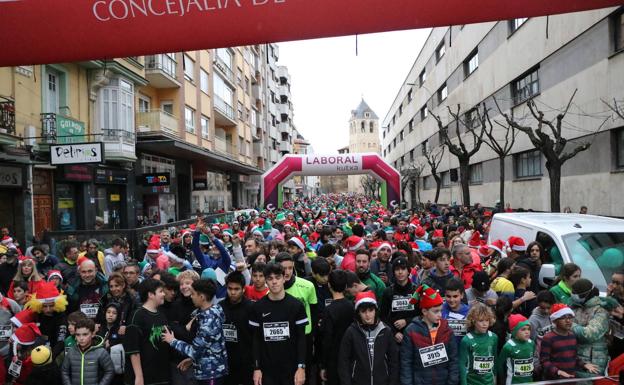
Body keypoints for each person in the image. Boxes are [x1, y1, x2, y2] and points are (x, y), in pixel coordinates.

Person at [249, 263, 307, 385]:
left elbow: (302, 338)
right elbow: (255, 340)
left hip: (291, 369)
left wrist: (301, 367)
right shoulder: (257, 307)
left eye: (277, 277)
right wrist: (256, 368)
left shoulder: (296, 305)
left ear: (284, 278)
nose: (274, 282)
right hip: (267, 371)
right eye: (270, 279)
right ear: (266, 281)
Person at [162, 279, 228, 385]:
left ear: (201, 297)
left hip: (211, 374)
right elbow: (205, 348)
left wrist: (172, 340)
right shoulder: (207, 312)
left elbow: (194, 350)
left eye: (193, 294)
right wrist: (192, 360)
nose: (191, 296)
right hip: (207, 371)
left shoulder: (209, 321)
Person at [400, 284, 459, 385]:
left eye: (441, 310)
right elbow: (406, 363)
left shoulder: (447, 330)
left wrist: (452, 382)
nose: (440, 315)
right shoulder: (411, 331)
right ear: (424, 311)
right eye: (436, 311)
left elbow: (454, 360)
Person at [337, 291, 399, 385]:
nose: (367, 315)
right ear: (358, 313)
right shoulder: (351, 332)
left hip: (382, 381)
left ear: (375, 310)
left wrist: (392, 382)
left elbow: (393, 361)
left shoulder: (386, 331)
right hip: (358, 381)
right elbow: (343, 361)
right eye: (363, 311)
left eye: (371, 310)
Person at [123, 278, 171, 385]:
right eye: (161, 291)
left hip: (161, 376)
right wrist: (139, 377)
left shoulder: (162, 315)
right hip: (143, 377)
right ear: (150, 294)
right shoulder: (137, 315)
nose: (164, 294)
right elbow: (133, 350)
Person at [540, 303, 599, 380]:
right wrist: (557, 371)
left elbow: (573, 357)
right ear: (555, 321)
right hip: (554, 380)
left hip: (570, 379)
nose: (568, 321)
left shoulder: (572, 336)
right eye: (563, 318)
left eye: (570, 317)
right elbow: (544, 361)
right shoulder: (548, 338)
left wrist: (584, 365)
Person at [319, 270, 354, 385]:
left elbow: (326, 340)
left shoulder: (329, 310)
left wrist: (323, 365)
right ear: (345, 286)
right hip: (351, 356)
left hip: (334, 359)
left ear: (329, 285)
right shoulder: (352, 306)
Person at [570, 278, 610, 377]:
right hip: (573, 361)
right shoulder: (574, 307)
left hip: (593, 365)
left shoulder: (600, 311)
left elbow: (589, 334)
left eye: (576, 293)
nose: (573, 295)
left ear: (587, 294)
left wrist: (569, 325)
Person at [220, 271, 253, 385]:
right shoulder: (220, 307)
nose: (233, 292)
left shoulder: (252, 308)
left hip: (246, 362)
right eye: (230, 288)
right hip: (225, 361)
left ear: (243, 289)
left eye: (236, 289)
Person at [61, 317, 115, 385]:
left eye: (85, 334)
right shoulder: (71, 352)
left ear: (92, 334)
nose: (81, 338)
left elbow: (110, 371)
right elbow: (64, 371)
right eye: (78, 335)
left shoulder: (101, 352)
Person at [380, 257, 418, 344]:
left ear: (408, 271)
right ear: (393, 272)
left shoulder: (416, 291)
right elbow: (383, 317)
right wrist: (394, 332)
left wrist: (406, 321)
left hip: (414, 334)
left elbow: (422, 314)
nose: (400, 272)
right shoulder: (388, 292)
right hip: (394, 337)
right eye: (397, 269)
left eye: (403, 269)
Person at [458, 303, 498, 385]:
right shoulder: (466, 340)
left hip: (489, 381)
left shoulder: (493, 337)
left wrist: (495, 377)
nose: (485, 324)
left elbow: (495, 359)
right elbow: (462, 364)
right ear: (473, 321)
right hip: (472, 382)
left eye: (487, 320)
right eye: (481, 320)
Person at [497, 314, 536, 384]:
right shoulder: (508, 346)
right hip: (513, 382)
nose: (527, 332)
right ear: (514, 331)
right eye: (523, 329)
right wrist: (502, 380)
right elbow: (500, 365)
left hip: (529, 382)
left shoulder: (531, 343)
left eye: (529, 329)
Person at [442, 278, 470, 344]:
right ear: (445, 295)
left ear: (462, 295)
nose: (451, 300)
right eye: (448, 296)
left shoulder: (470, 313)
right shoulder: (439, 309)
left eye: (455, 296)